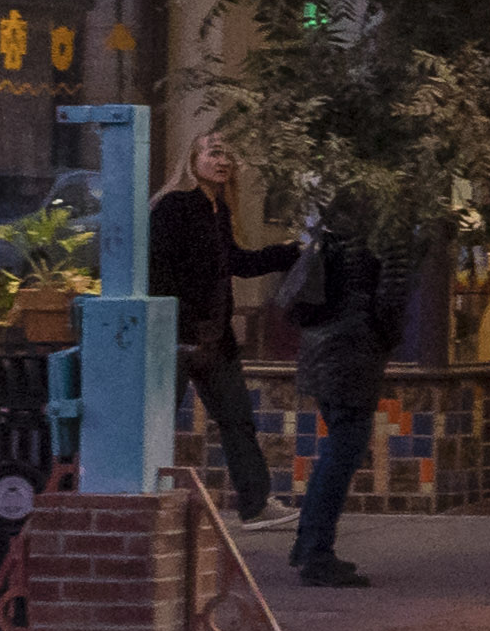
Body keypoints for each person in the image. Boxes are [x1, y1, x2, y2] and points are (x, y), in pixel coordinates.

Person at [151, 136, 298, 523]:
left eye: (229, 154)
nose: (224, 161)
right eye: (214, 153)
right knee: (159, 420)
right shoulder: (175, 207)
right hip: (181, 337)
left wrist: (287, 252)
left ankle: (255, 503)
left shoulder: (218, 210)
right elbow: (161, 273)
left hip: (215, 337)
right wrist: (177, 328)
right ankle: (147, 500)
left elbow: (236, 262)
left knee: (237, 418)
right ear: (192, 159)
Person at [278, 197, 406, 586]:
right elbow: (392, 295)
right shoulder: (389, 223)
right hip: (353, 351)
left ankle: (310, 546)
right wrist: (382, 340)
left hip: (323, 349)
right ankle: (317, 552)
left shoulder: (335, 220)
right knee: (342, 453)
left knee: (336, 451)